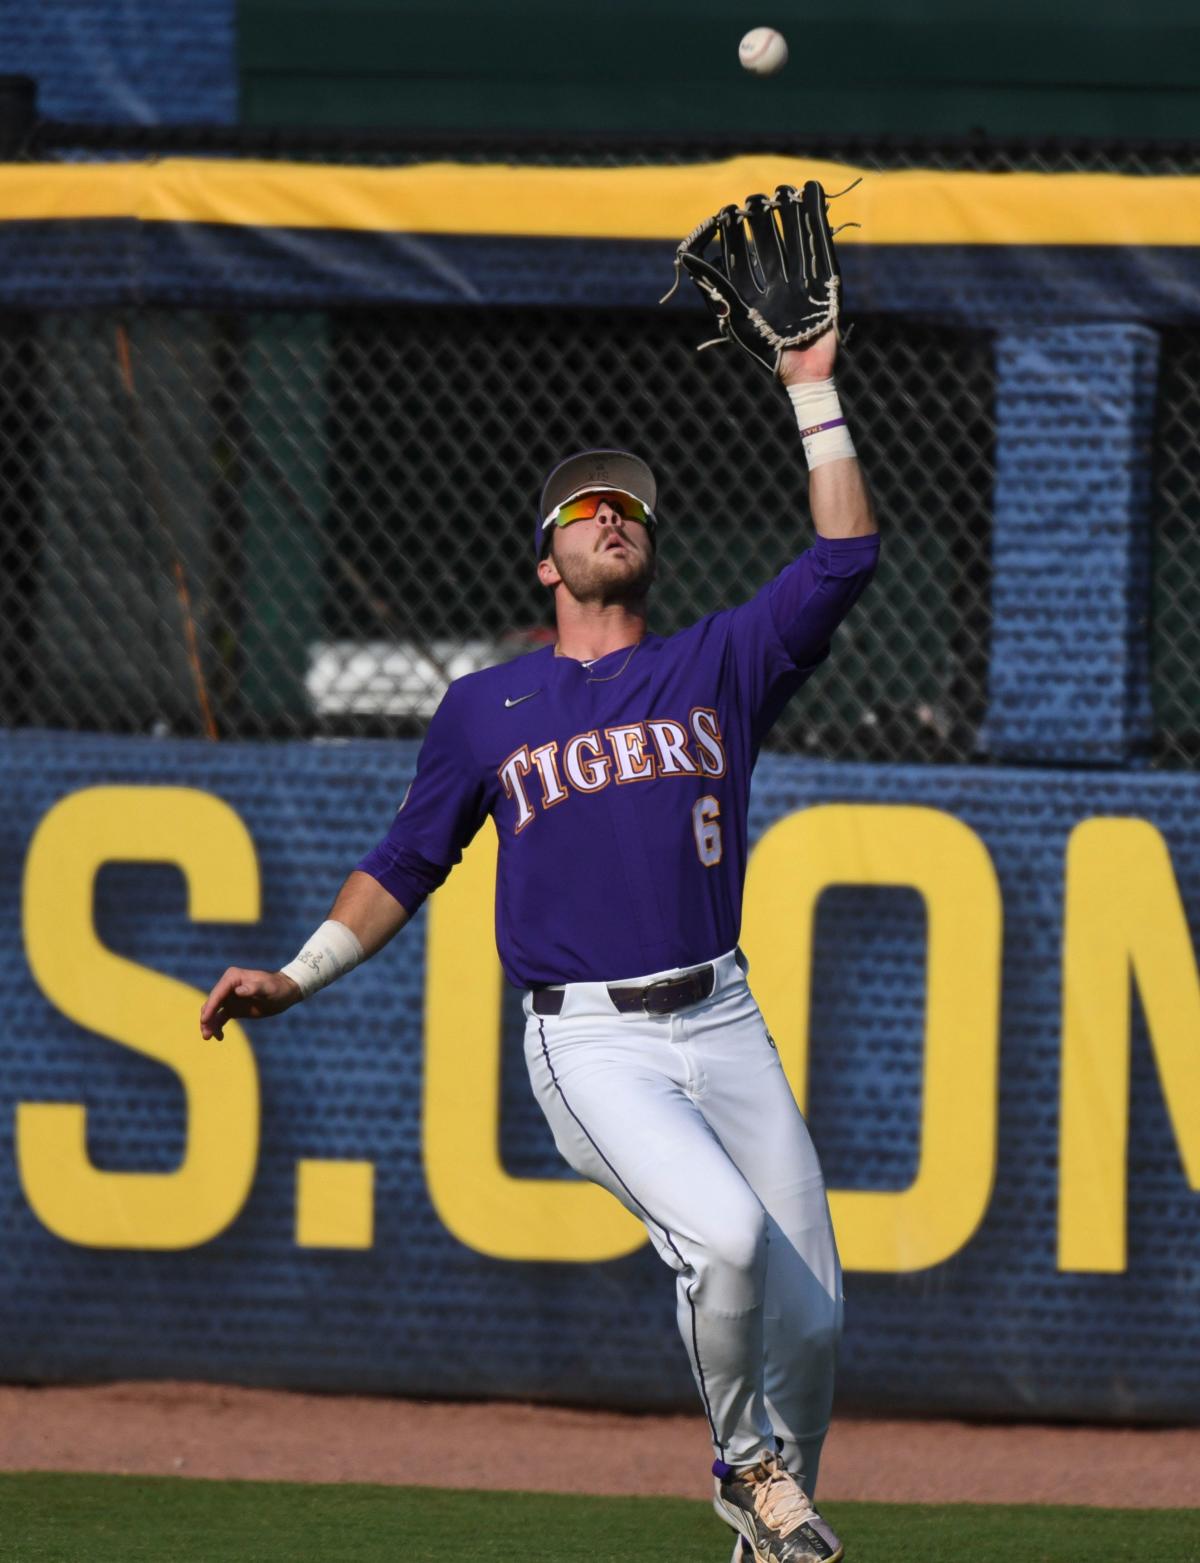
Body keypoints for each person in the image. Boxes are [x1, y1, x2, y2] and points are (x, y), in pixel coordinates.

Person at [200, 322, 878, 1562]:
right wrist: (296, 974)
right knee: (722, 1241)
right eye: (584, 506)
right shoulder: (488, 709)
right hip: (594, 1042)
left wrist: (814, 389)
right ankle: (740, 1464)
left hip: (722, 1015)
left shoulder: (716, 662)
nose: (613, 514)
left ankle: (767, 1530)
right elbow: (407, 861)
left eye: (631, 506)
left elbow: (844, 557)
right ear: (545, 563)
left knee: (817, 1325)